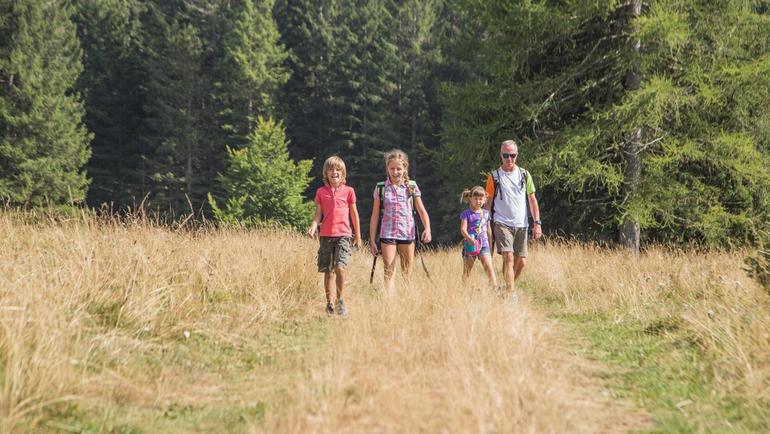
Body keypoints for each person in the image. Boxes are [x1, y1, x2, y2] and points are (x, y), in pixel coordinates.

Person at [484, 139, 542, 302]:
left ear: (517, 155)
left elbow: (532, 200)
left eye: (513, 155)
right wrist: (485, 224)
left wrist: (537, 223)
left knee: (521, 262)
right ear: (500, 156)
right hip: (501, 223)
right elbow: (488, 203)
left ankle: (506, 286)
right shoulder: (494, 177)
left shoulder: (524, 174)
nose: (509, 159)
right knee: (508, 257)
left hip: (521, 224)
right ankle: (511, 294)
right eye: (506, 155)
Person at [369, 149, 431, 292]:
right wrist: (372, 239)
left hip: (407, 233)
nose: (395, 172)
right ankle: (390, 305)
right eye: (392, 168)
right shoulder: (381, 188)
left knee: (406, 273)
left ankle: (406, 302)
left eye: (399, 169)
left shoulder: (411, 187)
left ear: (405, 169)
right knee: (389, 271)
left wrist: (427, 228)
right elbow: (375, 216)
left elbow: (421, 210)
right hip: (388, 233)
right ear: (387, 169)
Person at [307, 156, 362, 316]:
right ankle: (329, 303)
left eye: (338, 170)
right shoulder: (321, 192)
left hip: (344, 235)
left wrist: (357, 236)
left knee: (340, 267)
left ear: (343, 173)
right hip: (325, 235)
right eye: (331, 169)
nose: (334, 172)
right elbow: (318, 214)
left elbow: (354, 214)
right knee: (328, 271)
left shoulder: (349, 191)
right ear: (326, 173)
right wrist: (313, 227)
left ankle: (340, 300)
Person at [459, 186, 497, 289]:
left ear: (485, 199)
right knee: (467, 270)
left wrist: (490, 246)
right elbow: (463, 229)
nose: (478, 201)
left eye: (481, 199)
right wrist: (469, 238)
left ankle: (494, 288)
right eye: (475, 199)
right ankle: (464, 289)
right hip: (470, 244)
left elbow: (489, 231)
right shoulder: (466, 214)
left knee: (489, 268)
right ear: (470, 198)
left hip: (484, 244)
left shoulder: (486, 214)